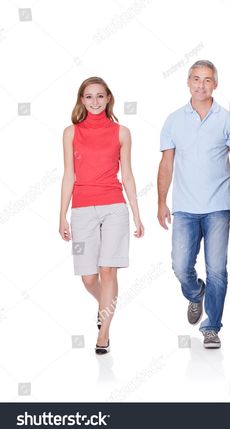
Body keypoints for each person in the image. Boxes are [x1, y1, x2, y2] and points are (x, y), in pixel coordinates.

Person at [157, 60, 230, 349]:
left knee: (217, 268)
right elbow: (166, 164)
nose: (201, 84)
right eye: (196, 78)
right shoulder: (173, 120)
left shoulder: (228, 120)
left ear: (215, 85)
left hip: (219, 205)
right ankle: (196, 294)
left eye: (208, 80)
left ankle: (212, 326)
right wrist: (161, 201)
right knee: (180, 266)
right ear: (188, 81)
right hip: (184, 206)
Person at [59, 77, 144, 355]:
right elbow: (69, 175)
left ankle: (103, 334)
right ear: (81, 100)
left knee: (108, 270)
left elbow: (128, 176)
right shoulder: (71, 133)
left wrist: (137, 214)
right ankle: (104, 305)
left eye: (99, 96)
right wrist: (62, 216)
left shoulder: (122, 132)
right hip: (82, 208)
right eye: (88, 97)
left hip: (114, 207)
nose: (94, 102)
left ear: (108, 98)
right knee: (87, 277)